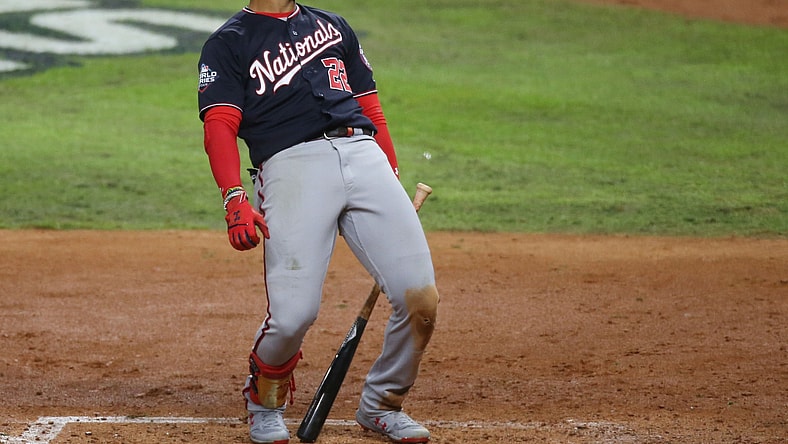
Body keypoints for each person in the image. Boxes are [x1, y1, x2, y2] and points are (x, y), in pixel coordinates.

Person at [196, 2, 440, 443]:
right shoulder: (228, 43)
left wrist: (390, 173)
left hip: (364, 156)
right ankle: (264, 402)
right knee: (292, 317)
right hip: (291, 165)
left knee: (420, 298)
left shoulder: (332, 25)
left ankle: (382, 403)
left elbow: (369, 105)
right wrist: (233, 195)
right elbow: (219, 124)